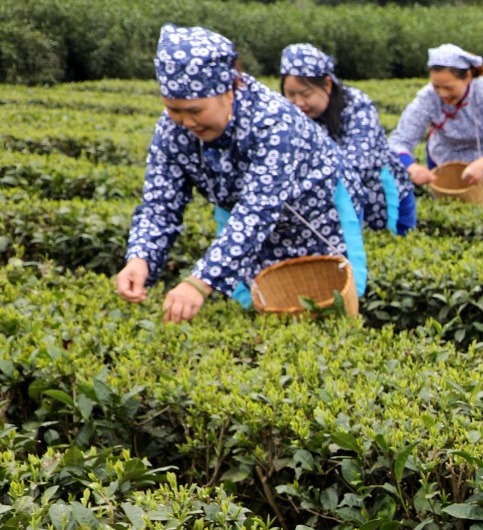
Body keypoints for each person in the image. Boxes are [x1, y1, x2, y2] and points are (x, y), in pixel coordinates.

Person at [117, 25, 366, 323]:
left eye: (195, 111)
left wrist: (199, 282)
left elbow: (258, 209)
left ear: (228, 90)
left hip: (316, 218)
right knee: (264, 311)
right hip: (246, 225)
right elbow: (160, 203)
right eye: (174, 109)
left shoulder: (273, 121)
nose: (186, 122)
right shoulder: (172, 129)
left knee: (328, 308)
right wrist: (140, 257)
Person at [279, 43, 415, 237]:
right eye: (291, 94)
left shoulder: (358, 106)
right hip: (336, 206)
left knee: (390, 243)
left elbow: (356, 162)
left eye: (305, 94)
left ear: (327, 84)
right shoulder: (289, 116)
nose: (299, 102)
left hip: (383, 199)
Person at [388, 44, 483, 208]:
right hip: (444, 161)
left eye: (449, 88)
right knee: (448, 212)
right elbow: (399, 140)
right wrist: (411, 167)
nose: (442, 94)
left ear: (467, 77)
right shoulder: (427, 97)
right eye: (436, 87)